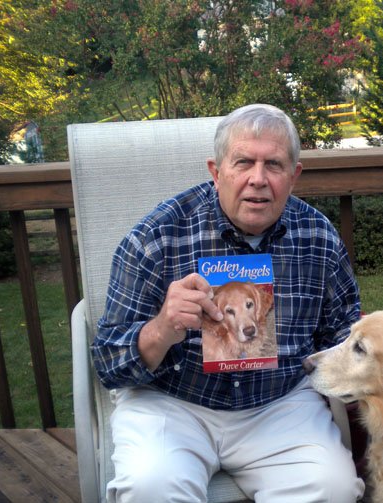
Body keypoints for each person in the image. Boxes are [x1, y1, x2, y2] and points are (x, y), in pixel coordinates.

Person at [92, 103, 366, 502]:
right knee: (151, 487)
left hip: (278, 402)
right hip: (173, 400)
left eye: (273, 164)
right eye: (243, 163)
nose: (258, 179)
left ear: (294, 175)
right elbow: (107, 363)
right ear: (216, 171)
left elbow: (341, 331)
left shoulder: (318, 238)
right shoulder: (156, 236)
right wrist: (161, 329)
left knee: (334, 488)